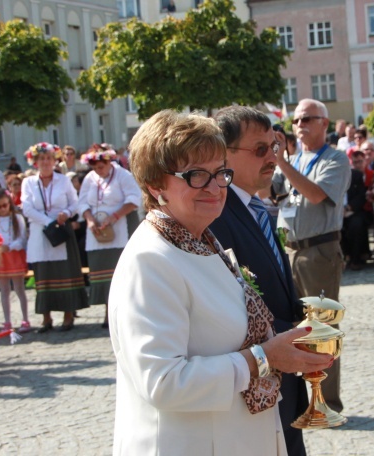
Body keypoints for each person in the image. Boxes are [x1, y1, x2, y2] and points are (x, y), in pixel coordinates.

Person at [109, 109, 333, 455]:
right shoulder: (150, 260)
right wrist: (264, 359)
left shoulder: (201, 241)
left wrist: (291, 346)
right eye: (196, 175)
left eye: (220, 173)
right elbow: (163, 382)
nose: (215, 187)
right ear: (155, 184)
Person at [211, 106, 309, 456]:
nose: (272, 158)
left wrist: (308, 320)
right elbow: (228, 302)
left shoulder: (258, 207)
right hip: (255, 379)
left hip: (286, 376)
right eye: (259, 149)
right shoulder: (215, 215)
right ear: (223, 154)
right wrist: (288, 334)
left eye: (275, 147)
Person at [272, 98, 351, 413]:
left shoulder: (335, 159)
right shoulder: (295, 160)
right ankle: (298, 399)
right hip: (290, 250)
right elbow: (274, 194)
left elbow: (317, 194)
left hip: (319, 251)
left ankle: (326, 403)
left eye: (307, 119)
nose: (300, 125)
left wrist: (283, 163)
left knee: (322, 328)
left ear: (325, 124)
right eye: (296, 121)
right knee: (290, 327)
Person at [22, 142, 89, 332]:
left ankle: (68, 316)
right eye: (41, 159)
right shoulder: (29, 182)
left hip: (61, 230)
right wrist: (47, 221)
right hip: (40, 231)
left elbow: (75, 203)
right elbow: (26, 208)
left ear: (54, 161)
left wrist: (66, 213)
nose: (45, 162)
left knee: (64, 272)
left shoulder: (63, 180)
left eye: (49, 158)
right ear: (35, 162)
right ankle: (46, 318)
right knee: (43, 273)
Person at [78, 145, 141, 328]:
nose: (98, 171)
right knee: (102, 273)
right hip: (97, 232)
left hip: (119, 229)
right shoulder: (90, 178)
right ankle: (108, 312)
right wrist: (89, 220)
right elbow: (81, 203)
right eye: (95, 167)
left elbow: (134, 199)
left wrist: (114, 217)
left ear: (109, 162)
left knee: (118, 272)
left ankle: (122, 312)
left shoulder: (122, 175)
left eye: (101, 167)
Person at [0, 188, 30, 332]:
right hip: (1, 257)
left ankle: (25, 319)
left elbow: (22, 239)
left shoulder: (17, 219)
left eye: (5, 205)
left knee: (19, 289)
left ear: (9, 203)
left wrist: (10, 246)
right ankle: (7, 321)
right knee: (4, 290)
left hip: (15, 255)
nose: (2, 209)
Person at [342, 150, 374, 270]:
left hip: (353, 210)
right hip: (335, 211)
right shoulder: (328, 176)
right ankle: (343, 257)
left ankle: (356, 259)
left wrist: (348, 208)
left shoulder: (355, 175)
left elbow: (361, 196)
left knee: (356, 224)